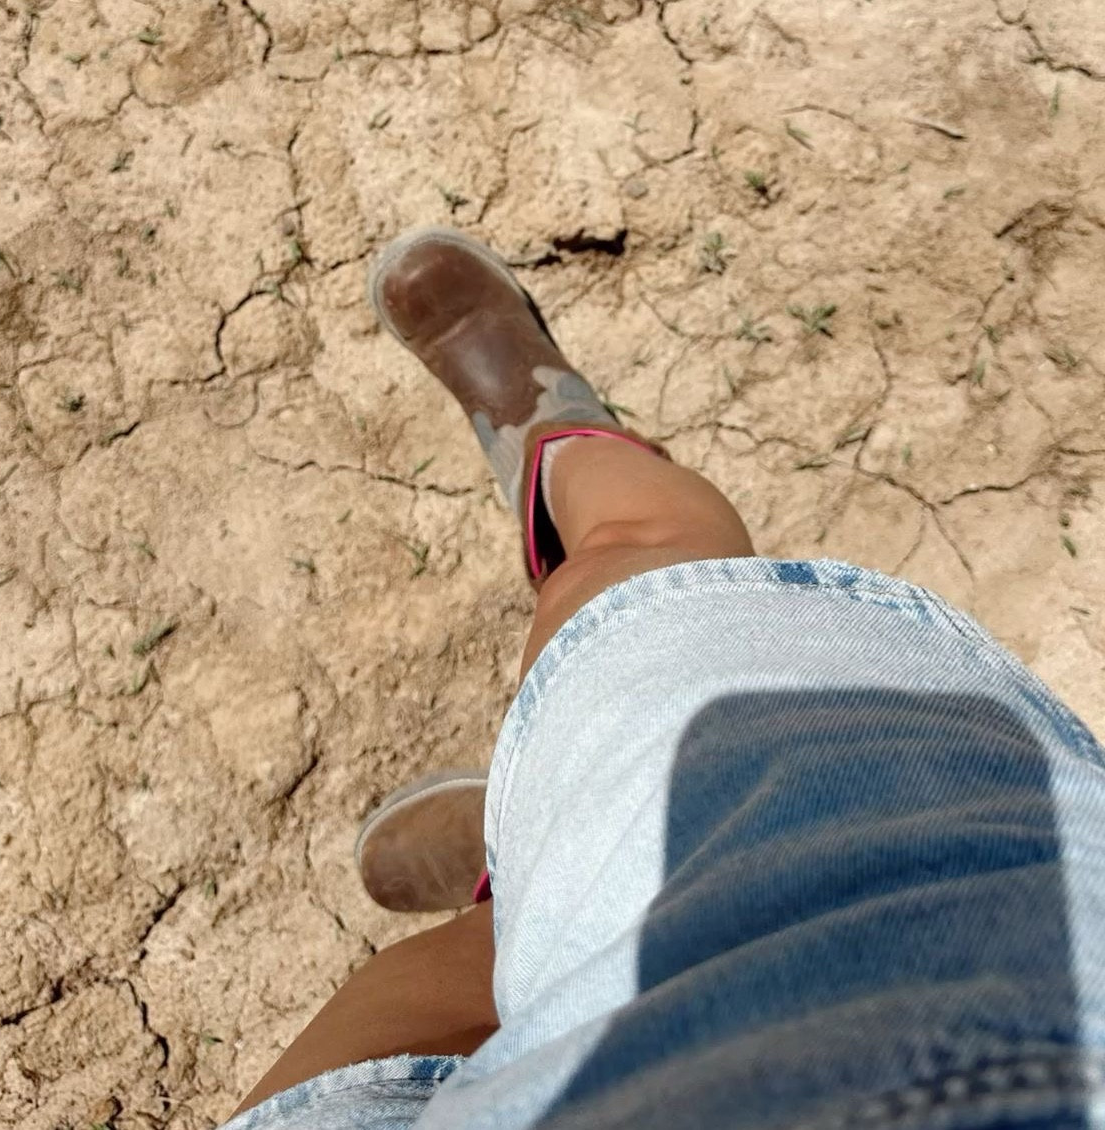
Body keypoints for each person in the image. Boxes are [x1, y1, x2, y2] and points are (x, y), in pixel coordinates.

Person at [224, 229, 1105, 1129]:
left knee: (415, 1019)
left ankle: (521, 862)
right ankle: (558, 429)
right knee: (629, 571)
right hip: (974, 986)